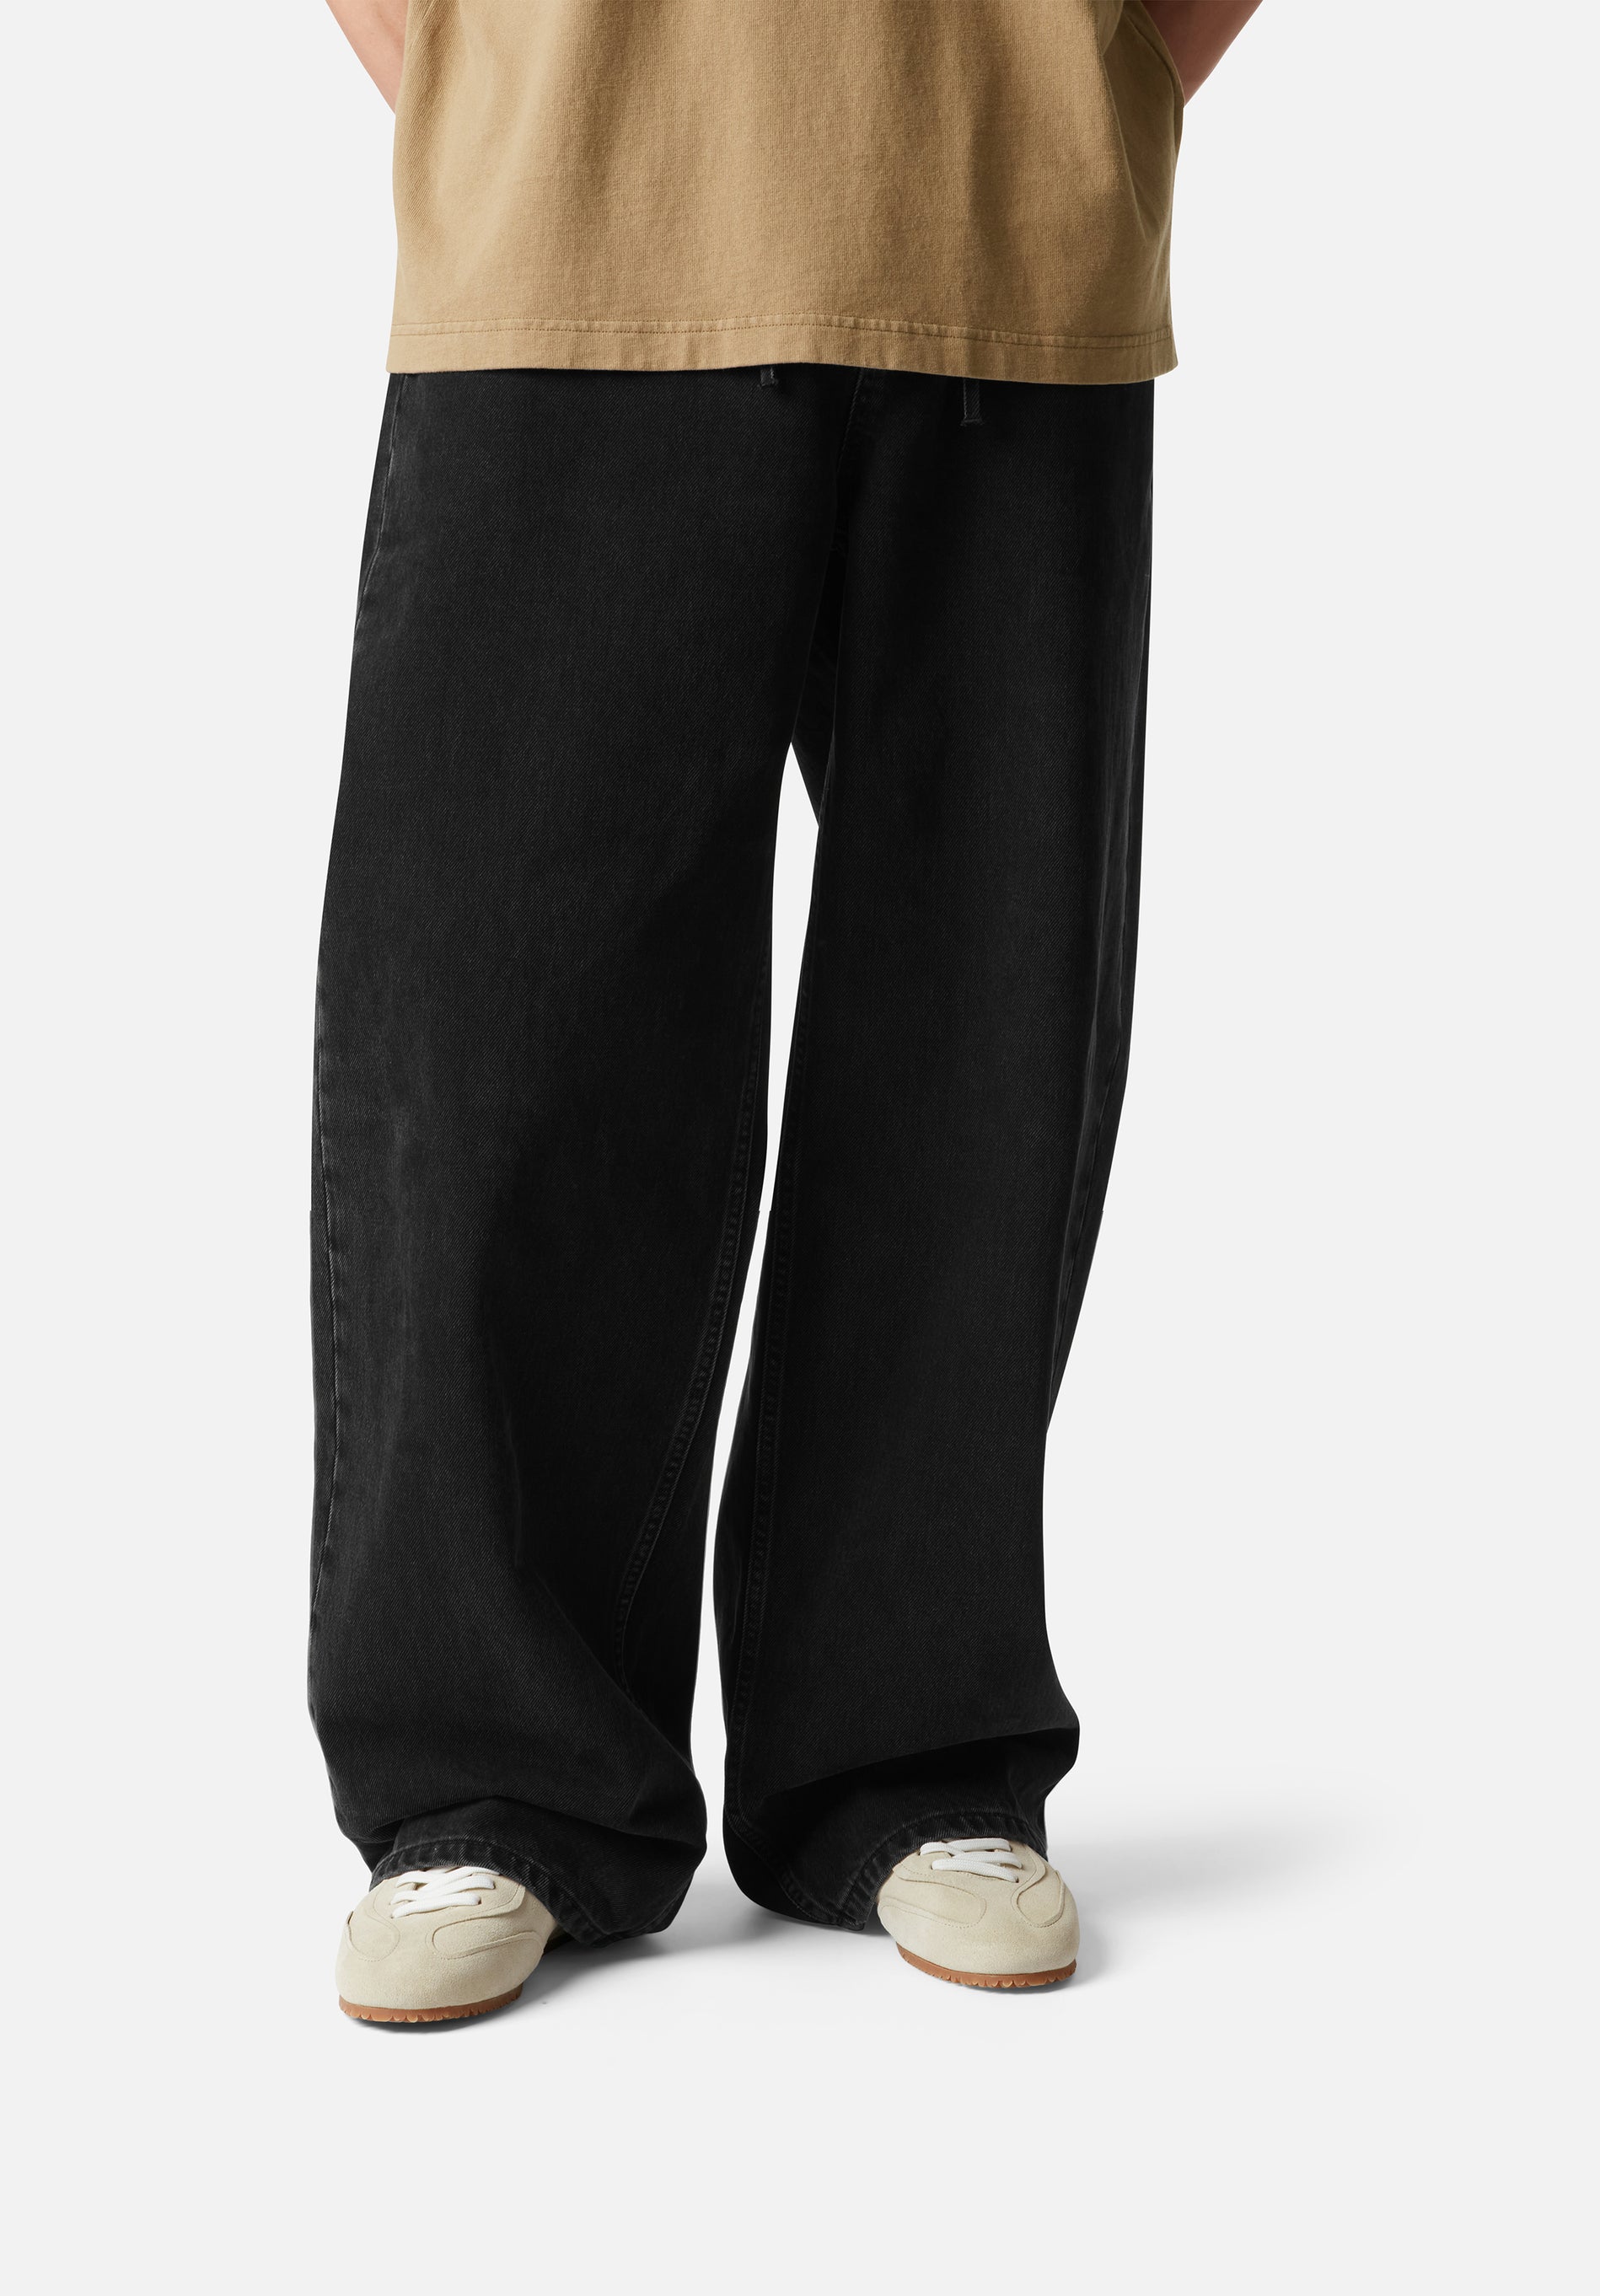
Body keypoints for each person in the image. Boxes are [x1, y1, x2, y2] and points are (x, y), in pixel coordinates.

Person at [313, 0, 1263, 2021]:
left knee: (976, 1043)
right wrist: (497, 65)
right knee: (504, 1054)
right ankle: (493, 1781)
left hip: (1004, 226)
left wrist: (1091, 67)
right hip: (568, 223)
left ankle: (909, 1757)